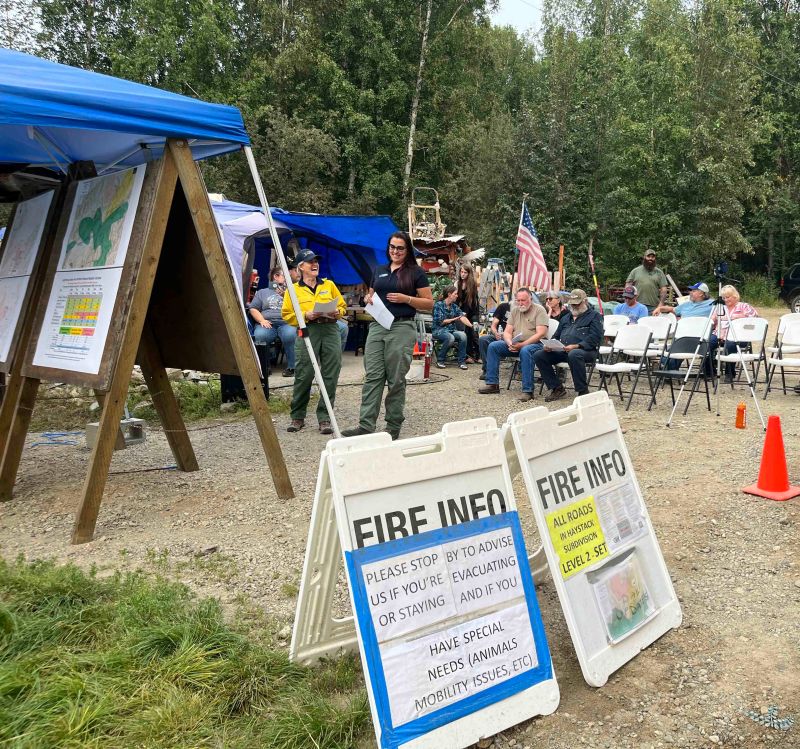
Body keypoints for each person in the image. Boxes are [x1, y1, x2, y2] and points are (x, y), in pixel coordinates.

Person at [341, 231, 433, 440]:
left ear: (407, 250)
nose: (395, 251)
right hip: (378, 325)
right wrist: (368, 298)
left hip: (402, 327)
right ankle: (365, 425)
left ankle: (393, 426)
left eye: (400, 248)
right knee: (372, 375)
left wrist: (406, 299)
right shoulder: (379, 270)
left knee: (396, 378)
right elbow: (372, 294)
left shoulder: (416, 272)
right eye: (392, 246)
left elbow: (429, 303)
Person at [281, 249, 346, 434]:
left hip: (330, 329)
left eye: (316, 261)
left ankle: (325, 418)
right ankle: (297, 416)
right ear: (301, 267)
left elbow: (342, 306)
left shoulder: (329, 285)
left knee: (331, 373)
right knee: (304, 373)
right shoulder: (293, 290)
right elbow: (286, 315)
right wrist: (305, 315)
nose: (315, 264)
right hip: (307, 330)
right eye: (310, 262)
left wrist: (337, 312)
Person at [478, 288, 548, 402]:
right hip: (517, 343)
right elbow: (507, 331)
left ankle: (528, 390)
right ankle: (492, 384)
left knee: (526, 350)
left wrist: (523, 344)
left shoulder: (539, 310)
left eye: (523, 300)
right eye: (518, 300)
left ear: (530, 298)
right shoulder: (515, 310)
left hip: (536, 344)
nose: (520, 303)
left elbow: (541, 333)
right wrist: (509, 342)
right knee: (493, 346)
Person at [535, 289, 604, 402]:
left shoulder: (595, 316)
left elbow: (595, 338)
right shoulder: (566, 317)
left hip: (586, 351)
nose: (574, 306)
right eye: (572, 304)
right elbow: (556, 336)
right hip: (564, 350)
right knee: (539, 355)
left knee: (574, 354)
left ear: (585, 301)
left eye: (577, 303)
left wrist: (576, 346)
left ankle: (582, 391)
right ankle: (557, 388)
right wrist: (550, 345)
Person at [247, 267, 297, 376]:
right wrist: (262, 320)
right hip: (267, 322)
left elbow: (299, 308)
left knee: (291, 335)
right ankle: (264, 367)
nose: (288, 278)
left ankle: (292, 368)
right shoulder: (262, 292)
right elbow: (253, 308)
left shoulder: (292, 291)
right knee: (260, 335)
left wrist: (286, 295)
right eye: (285, 276)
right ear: (276, 277)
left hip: (286, 322)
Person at [710, 285, 758, 383]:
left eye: (728, 297)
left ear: (735, 296)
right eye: (723, 298)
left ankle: (729, 373)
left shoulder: (744, 306)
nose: (725, 300)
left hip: (739, 336)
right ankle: (709, 372)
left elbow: (755, 318)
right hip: (720, 334)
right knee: (707, 342)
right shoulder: (720, 308)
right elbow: (712, 321)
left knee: (730, 344)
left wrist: (738, 316)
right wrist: (713, 319)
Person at [432, 286, 472, 369]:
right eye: (455, 294)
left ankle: (461, 362)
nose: (457, 296)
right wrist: (455, 319)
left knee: (463, 335)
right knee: (451, 338)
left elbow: (462, 317)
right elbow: (441, 322)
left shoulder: (454, 306)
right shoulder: (438, 305)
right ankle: (440, 360)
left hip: (451, 330)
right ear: (449, 294)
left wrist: (472, 326)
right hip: (438, 330)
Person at [478, 300, 511, 380]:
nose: (520, 302)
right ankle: (487, 370)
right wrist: (496, 333)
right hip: (499, 336)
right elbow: (493, 325)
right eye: (517, 300)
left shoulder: (523, 310)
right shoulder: (503, 307)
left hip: (513, 338)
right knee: (483, 339)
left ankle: (520, 371)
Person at [457, 263, 480, 362]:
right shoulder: (458, 283)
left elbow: (471, 302)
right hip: (463, 311)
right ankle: (469, 356)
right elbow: (458, 300)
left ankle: (479, 356)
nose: (462, 274)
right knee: (466, 333)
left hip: (473, 311)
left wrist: (465, 312)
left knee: (474, 332)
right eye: (461, 272)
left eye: (465, 272)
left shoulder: (472, 285)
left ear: (469, 274)